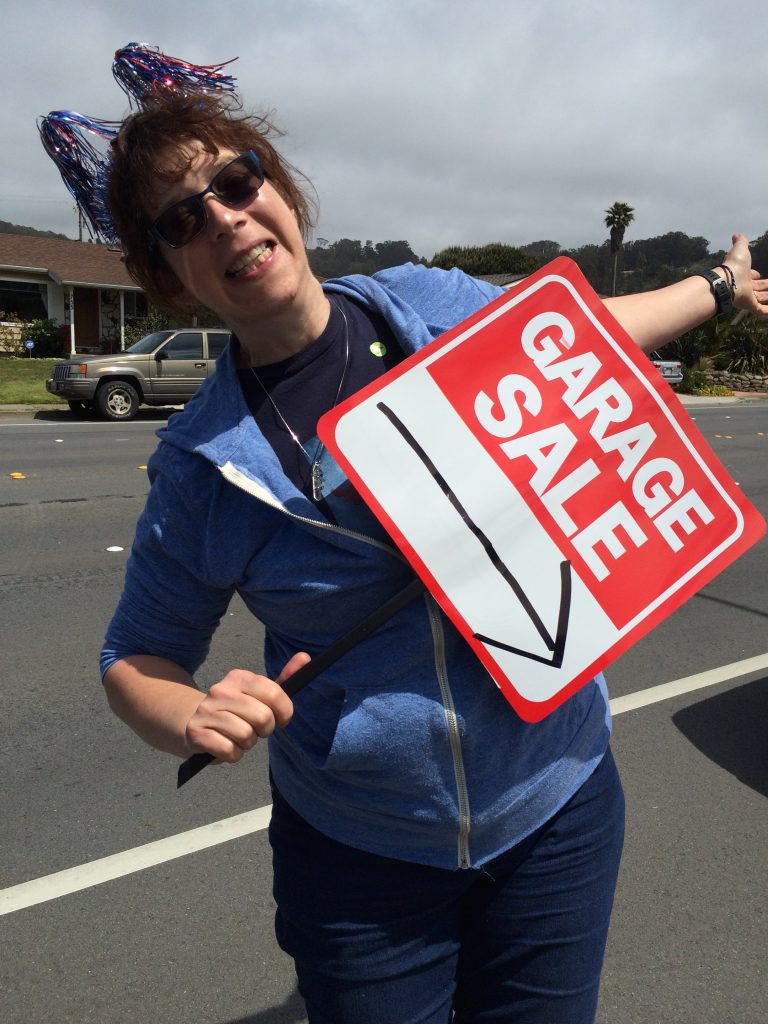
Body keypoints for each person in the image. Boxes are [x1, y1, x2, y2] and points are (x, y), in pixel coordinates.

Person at [99, 91, 768, 1024]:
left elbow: (585, 336)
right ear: (170, 273)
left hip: (558, 810)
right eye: (182, 220)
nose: (223, 218)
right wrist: (190, 712)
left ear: (279, 190)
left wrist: (721, 288)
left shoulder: (424, 303)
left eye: (235, 181)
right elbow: (134, 654)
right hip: (361, 862)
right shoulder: (203, 468)